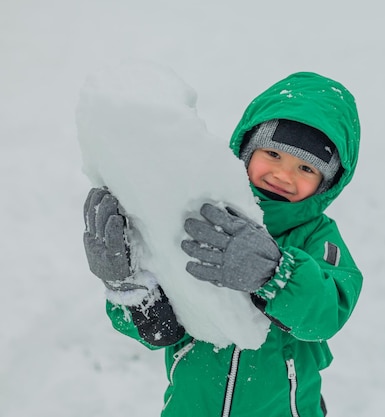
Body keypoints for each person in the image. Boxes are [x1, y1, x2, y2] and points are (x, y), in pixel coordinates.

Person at [82, 71, 362, 417]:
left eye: (306, 168)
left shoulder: (318, 239)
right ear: (246, 147)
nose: (283, 175)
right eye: (273, 154)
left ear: (326, 183)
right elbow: (160, 332)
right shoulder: (199, 212)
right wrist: (127, 286)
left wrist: (276, 274)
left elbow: (326, 313)